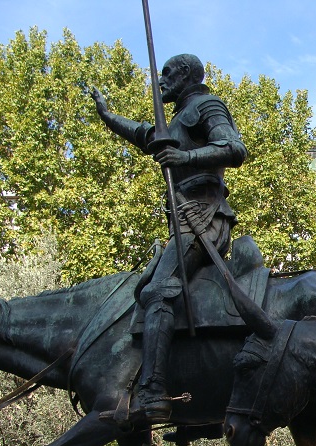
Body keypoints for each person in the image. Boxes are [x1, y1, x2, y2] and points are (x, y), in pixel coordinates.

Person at [91, 54, 248, 424]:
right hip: (182, 220)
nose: (160, 80)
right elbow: (147, 135)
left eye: (167, 74)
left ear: (187, 75)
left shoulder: (206, 106)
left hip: (204, 216)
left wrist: (185, 156)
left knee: (159, 290)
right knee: (149, 286)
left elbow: (234, 148)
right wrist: (107, 116)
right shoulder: (176, 118)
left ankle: (154, 391)